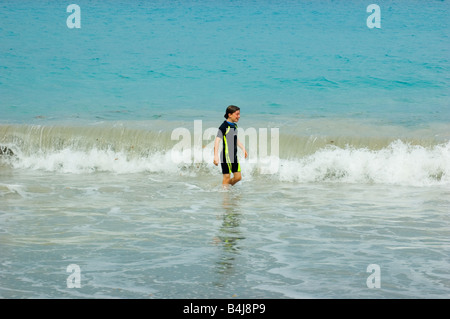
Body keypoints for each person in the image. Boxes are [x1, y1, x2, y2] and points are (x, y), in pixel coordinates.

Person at [213, 105, 248, 186]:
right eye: (237, 114)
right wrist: (215, 156)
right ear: (230, 114)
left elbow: (235, 139)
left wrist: (243, 148)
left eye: (239, 114)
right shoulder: (224, 126)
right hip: (226, 156)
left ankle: (226, 187)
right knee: (227, 177)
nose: (239, 116)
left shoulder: (235, 125)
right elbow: (217, 141)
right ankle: (225, 195)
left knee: (238, 177)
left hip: (234, 156)